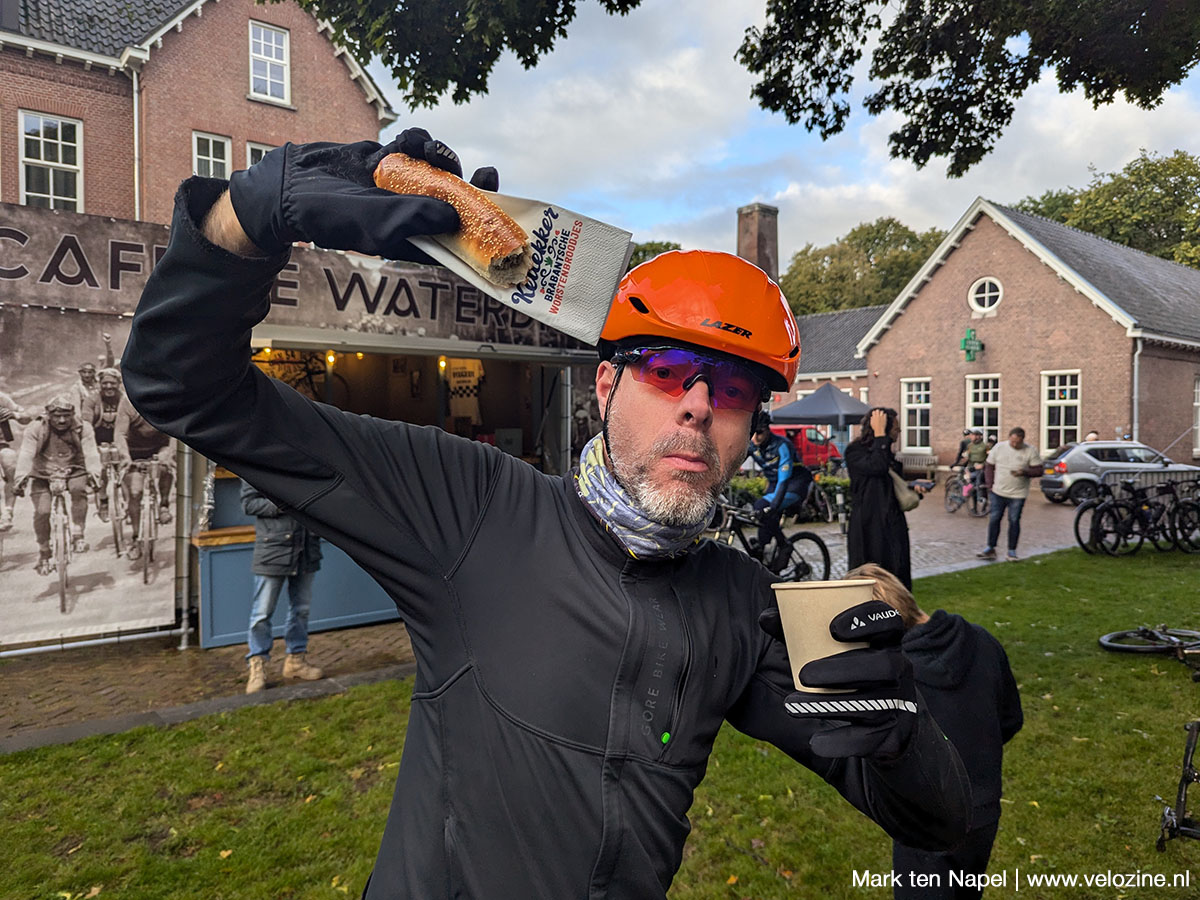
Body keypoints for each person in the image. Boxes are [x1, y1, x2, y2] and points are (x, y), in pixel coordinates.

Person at [121, 130, 969, 898]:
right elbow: (182, 386)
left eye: (736, 388)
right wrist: (248, 215)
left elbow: (939, 829)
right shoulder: (471, 510)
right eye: (670, 370)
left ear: (751, 428)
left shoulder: (742, 602)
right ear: (605, 386)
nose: (701, 406)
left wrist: (904, 733)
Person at [847, 564, 1023, 900]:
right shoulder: (982, 639)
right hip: (983, 809)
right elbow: (1011, 719)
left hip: (923, 820)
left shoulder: (892, 679)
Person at [241, 479, 325, 694]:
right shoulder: (256, 463)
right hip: (272, 549)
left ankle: (295, 662)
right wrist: (286, 504)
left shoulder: (306, 465)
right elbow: (249, 504)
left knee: (301, 610)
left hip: (306, 548)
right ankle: (257, 666)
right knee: (262, 613)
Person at [13, 396, 101, 573]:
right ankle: (44, 551)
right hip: (42, 473)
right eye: (57, 416)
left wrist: (94, 472)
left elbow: (91, 452)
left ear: (73, 415)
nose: (62, 420)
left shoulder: (83, 427)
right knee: (42, 511)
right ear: (48, 415)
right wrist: (20, 477)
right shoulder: (36, 428)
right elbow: (26, 454)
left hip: (74, 469)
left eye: (66, 415)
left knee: (78, 489)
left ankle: (78, 533)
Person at [844, 407, 925, 590]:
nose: (898, 431)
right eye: (895, 427)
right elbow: (876, 467)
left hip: (891, 523)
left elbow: (891, 487)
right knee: (870, 577)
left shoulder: (888, 455)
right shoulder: (855, 452)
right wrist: (880, 435)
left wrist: (913, 489)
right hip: (868, 525)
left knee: (897, 575)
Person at [113, 394, 175, 561]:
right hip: (133, 452)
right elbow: (119, 434)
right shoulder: (127, 402)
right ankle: (135, 538)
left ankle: (163, 504)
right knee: (135, 492)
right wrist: (125, 457)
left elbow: (176, 432)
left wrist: (169, 454)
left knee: (165, 467)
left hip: (159, 447)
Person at [746, 412, 812, 566]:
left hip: (794, 484)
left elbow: (784, 480)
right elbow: (733, 465)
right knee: (762, 529)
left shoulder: (782, 445)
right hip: (775, 484)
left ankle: (784, 545)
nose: (755, 437)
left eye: (760, 433)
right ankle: (765, 564)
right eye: (752, 433)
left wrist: (773, 507)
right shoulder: (752, 445)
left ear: (768, 430)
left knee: (762, 507)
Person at [977, 427, 1042, 562]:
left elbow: (1039, 470)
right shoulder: (999, 448)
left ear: (1022, 440)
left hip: (1018, 493)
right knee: (994, 519)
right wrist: (990, 485)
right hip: (998, 491)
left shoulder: (1030, 451)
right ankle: (990, 548)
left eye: (1017, 443)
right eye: (1012, 441)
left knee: (1014, 521)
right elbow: (989, 466)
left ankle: (1011, 551)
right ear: (1009, 438)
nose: (1014, 445)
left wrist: (1025, 472)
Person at [82, 368, 125, 522]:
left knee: (127, 467)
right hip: (97, 438)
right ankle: (104, 501)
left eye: (112, 383)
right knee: (100, 470)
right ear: (99, 384)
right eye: (104, 383)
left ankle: (128, 500)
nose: (108, 387)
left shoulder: (125, 399)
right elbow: (85, 423)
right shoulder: (92, 400)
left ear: (119, 384)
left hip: (122, 438)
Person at [0, 388, 33, 532]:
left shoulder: (1, 398)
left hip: (1, 445)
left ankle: (7, 510)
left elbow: (27, 417)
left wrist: (15, 415)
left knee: (11, 461)